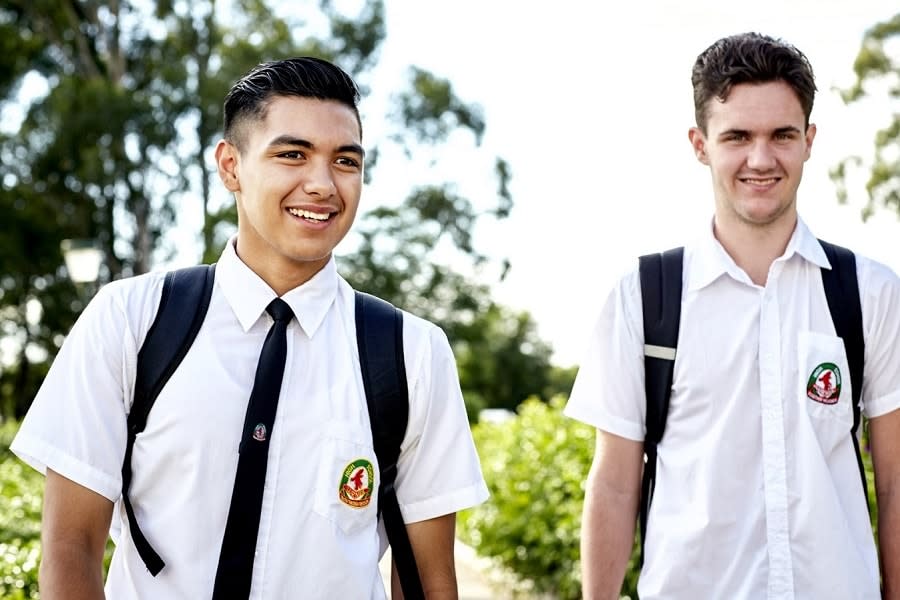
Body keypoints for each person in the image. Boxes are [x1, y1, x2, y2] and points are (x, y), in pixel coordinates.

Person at [12, 57, 488, 599]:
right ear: (230, 166)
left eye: (346, 161)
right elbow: (71, 547)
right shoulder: (130, 320)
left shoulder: (411, 353)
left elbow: (428, 579)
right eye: (292, 154)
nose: (322, 184)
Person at [565, 32, 900, 599]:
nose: (761, 159)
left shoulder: (871, 292)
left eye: (782, 135)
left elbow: (893, 483)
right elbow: (616, 486)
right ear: (700, 144)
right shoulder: (643, 297)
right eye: (737, 136)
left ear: (809, 140)